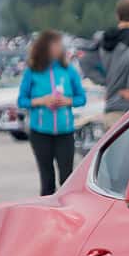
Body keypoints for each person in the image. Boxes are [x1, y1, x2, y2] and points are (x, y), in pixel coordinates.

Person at [18, 30, 87, 196]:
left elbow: (81, 98)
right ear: (45, 47)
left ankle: (67, 216)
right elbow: (21, 101)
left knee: (67, 178)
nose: (58, 48)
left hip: (65, 132)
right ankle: (47, 218)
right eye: (54, 45)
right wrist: (42, 101)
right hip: (40, 132)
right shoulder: (32, 72)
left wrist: (67, 101)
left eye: (60, 45)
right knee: (47, 180)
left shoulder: (68, 71)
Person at [83, 0, 129, 123]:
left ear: (117, 15)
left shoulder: (106, 39)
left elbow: (85, 61)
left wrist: (106, 81)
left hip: (112, 107)